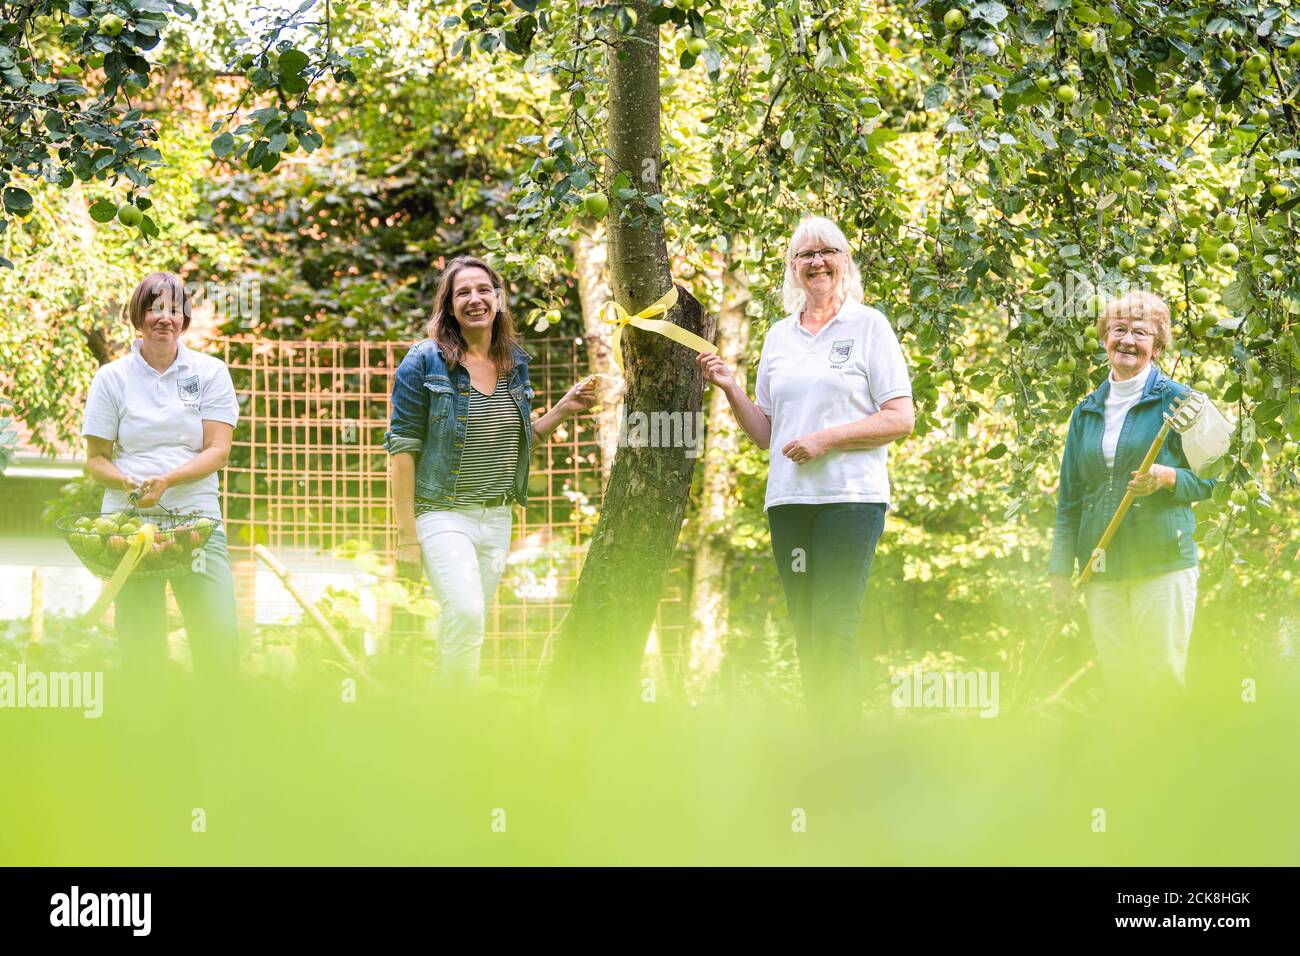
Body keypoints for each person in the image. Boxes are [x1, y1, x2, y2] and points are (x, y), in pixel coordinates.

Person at [698, 217, 915, 726]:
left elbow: (900, 417)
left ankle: (843, 746)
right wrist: (732, 389)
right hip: (789, 502)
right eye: (805, 255)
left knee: (836, 623)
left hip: (850, 499)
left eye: (828, 252)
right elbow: (769, 436)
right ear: (793, 269)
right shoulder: (778, 336)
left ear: (844, 260)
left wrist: (825, 439)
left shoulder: (869, 326)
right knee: (807, 627)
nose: (817, 262)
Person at [385, 255, 596, 689]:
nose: (474, 299)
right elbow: (402, 450)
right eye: (463, 292)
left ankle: (449, 723)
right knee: (466, 612)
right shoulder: (425, 360)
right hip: (442, 512)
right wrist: (407, 537)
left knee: (468, 624)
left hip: (498, 517)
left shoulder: (513, 362)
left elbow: (515, 440)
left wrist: (562, 409)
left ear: (498, 300)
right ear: (449, 306)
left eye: (483, 290)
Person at [1049, 290, 1215, 695]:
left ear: (1157, 347)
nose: (1127, 340)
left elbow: (1215, 480)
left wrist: (1168, 478)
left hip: (1162, 562)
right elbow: (1070, 499)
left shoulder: (1183, 402)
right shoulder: (1086, 410)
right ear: (1105, 338)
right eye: (1118, 329)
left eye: (1139, 333)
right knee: (1121, 685)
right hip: (1102, 566)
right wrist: (1059, 573)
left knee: (1161, 679)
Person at [82, 272, 241, 687]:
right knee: (140, 649)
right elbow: (96, 459)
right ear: (139, 315)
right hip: (128, 527)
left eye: (174, 308)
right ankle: (147, 737)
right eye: (155, 307)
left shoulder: (210, 372)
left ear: (184, 317)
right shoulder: (111, 378)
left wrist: (167, 480)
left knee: (218, 640)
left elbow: (217, 449)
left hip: (197, 523)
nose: (164, 318)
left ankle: (220, 738)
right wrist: (129, 485)